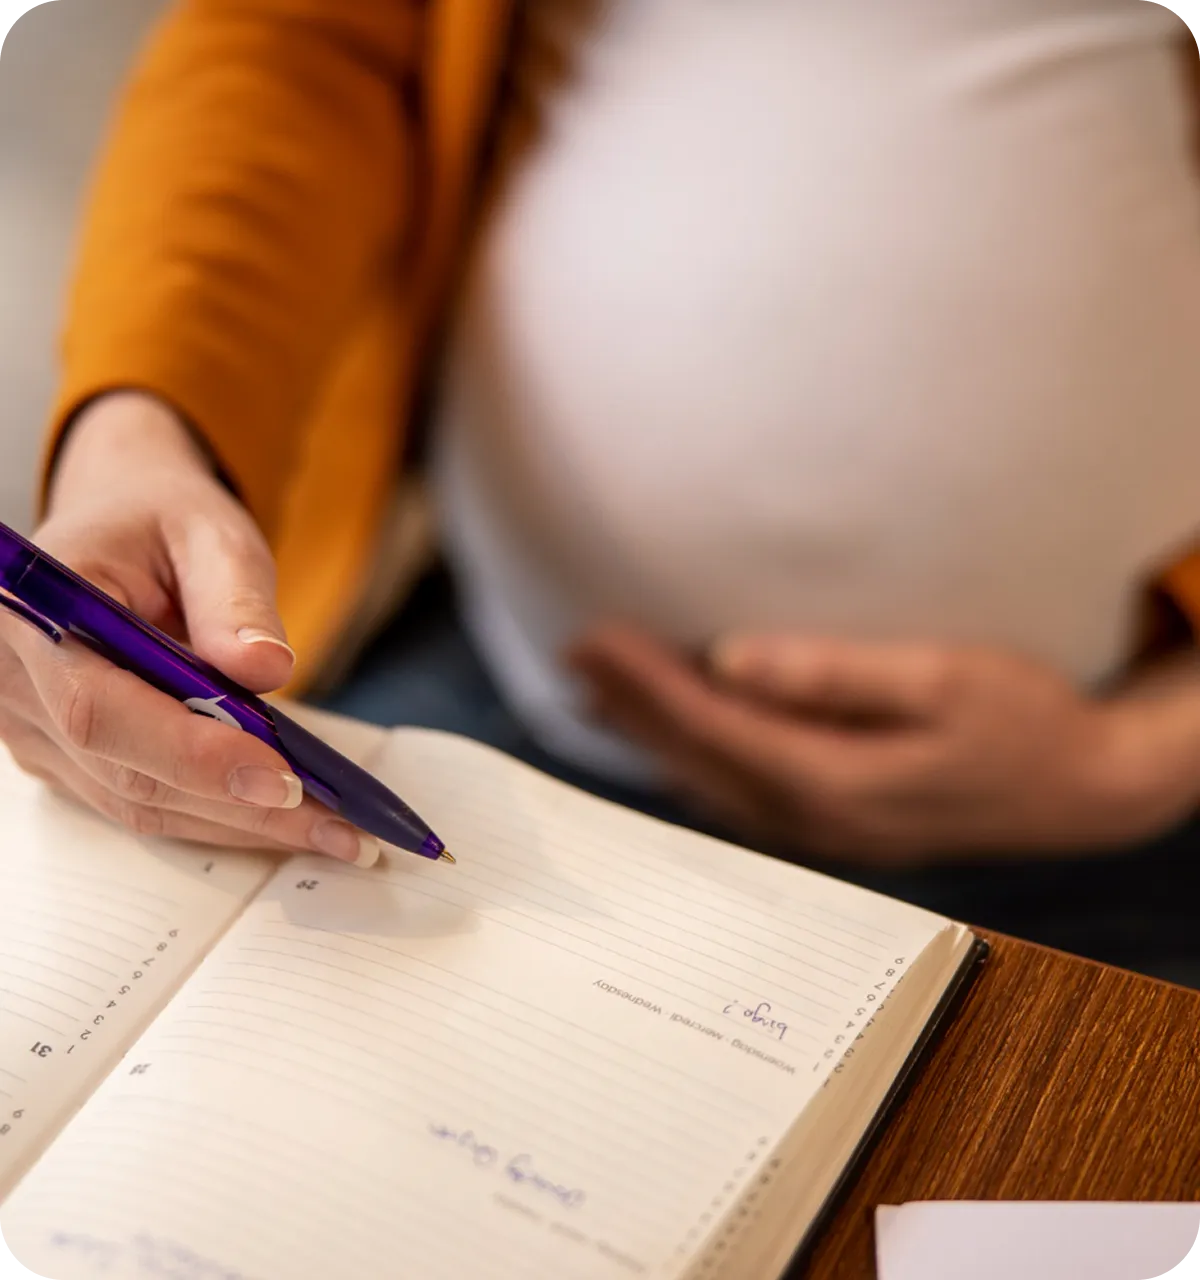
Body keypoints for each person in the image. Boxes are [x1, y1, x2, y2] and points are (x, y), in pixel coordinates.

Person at [5, 0, 1200, 982]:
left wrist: (1148, 751)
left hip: (1120, 807)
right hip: (510, 717)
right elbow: (303, 39)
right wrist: (141, 420)